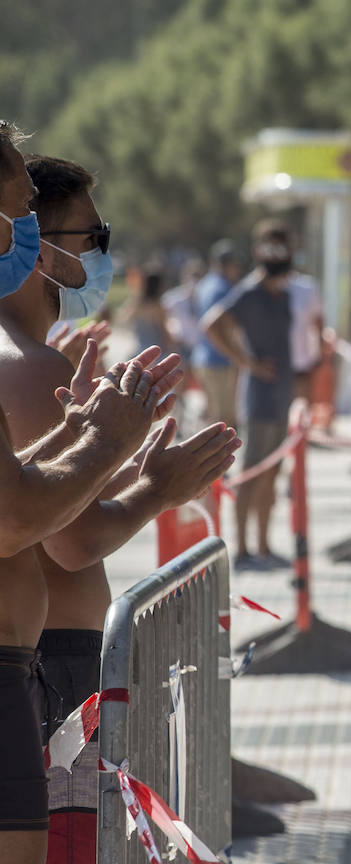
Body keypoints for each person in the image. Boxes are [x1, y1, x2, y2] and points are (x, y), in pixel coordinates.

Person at [0, 155, 238, 864]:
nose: (100, 254)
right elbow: (59, 537)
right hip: (58, 665)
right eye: (91, 238)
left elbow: (26, 491)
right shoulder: (32, 363)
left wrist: (100, 442)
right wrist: (153, 483)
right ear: (38, 245)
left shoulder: (38, 359)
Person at [202, 219, 297, 570]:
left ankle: (263, 544)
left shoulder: (284, 293)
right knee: (252, 472)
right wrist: (248, 363)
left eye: (283, 247)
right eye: (271, 247)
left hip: (282, 396)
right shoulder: (250, 291)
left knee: (272, 475)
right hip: (259, 396)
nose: (278, 254)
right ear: (258, 251)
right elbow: (211, 324)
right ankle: (241, 548)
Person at [192, 240, 245, 428]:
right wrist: (237, 357)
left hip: (202, 358)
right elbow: (214, 328)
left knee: (212, 420)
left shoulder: (204, 284)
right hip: (220, 362)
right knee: (225, 424)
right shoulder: (225, 289)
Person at [288, 267, 324, 398]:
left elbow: (318, 320)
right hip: (276, 362)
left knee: (301, 400)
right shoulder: (264, 287)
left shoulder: (307, 287)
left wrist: (319, 348)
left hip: (301, 358)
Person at [118, 269, 173, 355]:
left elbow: (123, 319)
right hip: (155, 349)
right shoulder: (157, 306)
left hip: (138, 347)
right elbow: (164, 331)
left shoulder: (136, 302)